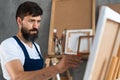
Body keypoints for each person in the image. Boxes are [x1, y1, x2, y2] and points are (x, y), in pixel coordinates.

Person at [0, 1, 81, 80]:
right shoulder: (9, 44)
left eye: (38, 21)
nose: (36, 26)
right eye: (31, 21)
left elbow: (39, 76)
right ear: (19, 21)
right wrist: (57, 68)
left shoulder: (36, 47)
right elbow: (18, 77)